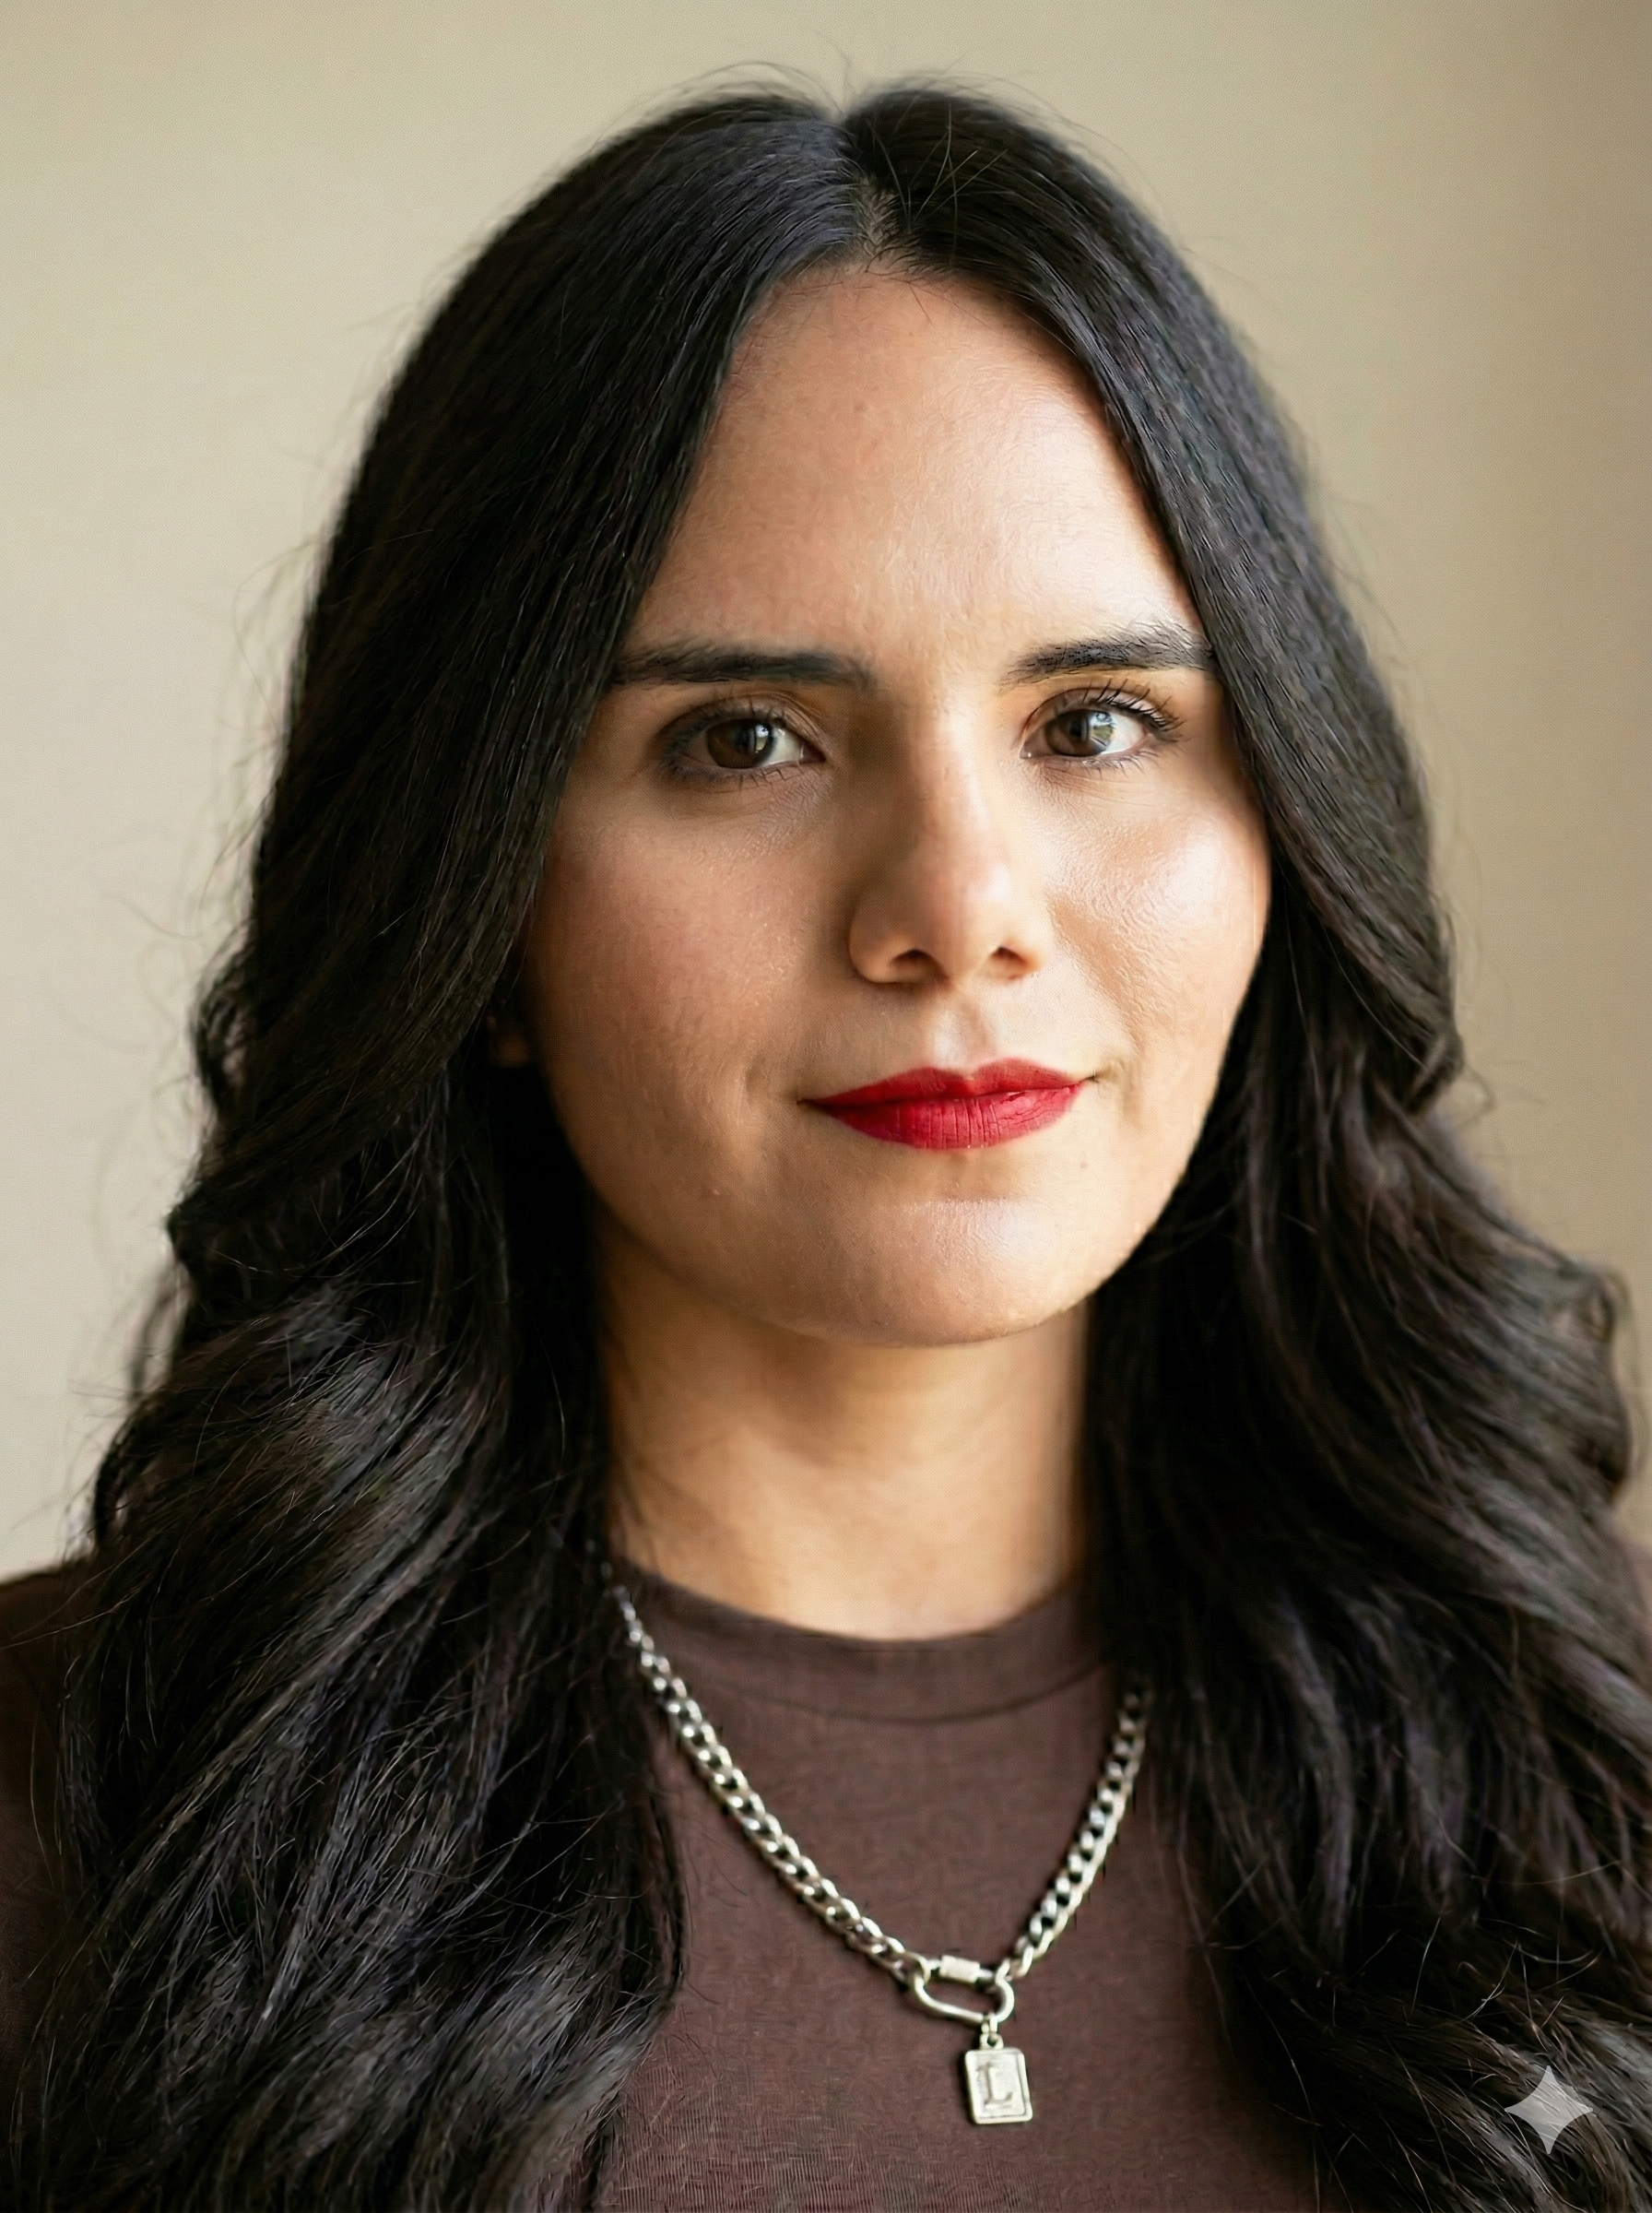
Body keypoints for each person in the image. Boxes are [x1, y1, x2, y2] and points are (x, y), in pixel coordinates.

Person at [3, 84, 1648, 2213]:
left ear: (1284, 833)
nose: (959, 903)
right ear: (475, 889)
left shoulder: (1580, 1750)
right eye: (743, 740)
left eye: (1095, 726)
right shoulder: (83, 1834)